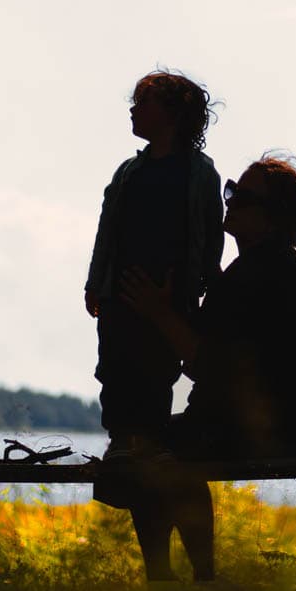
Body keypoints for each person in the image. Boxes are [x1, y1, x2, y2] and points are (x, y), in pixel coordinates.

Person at [114, 154, 296, 582]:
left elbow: (207, 364)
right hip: (289, 429)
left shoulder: (255, 275)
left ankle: (181, 582)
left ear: (269, 218)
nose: (229, 202)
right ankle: (192, 581)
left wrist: (159, 313)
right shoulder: (272, 271)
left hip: (258, 431)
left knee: (142, 450)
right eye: (231, 190)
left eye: (243, 197)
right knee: (154, 449)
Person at [83, 71, 225, 454]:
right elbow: (107, 230)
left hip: (171, 300)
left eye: (144, 101)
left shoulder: (199, 174)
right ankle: (121, 445)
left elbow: (212, 236)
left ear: (173, 114)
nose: (133, 108)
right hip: (119, 296)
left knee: (154, 376)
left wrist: (205, 286)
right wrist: (95, 282)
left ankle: (144, 451)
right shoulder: (130, 172)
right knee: (113, 373)